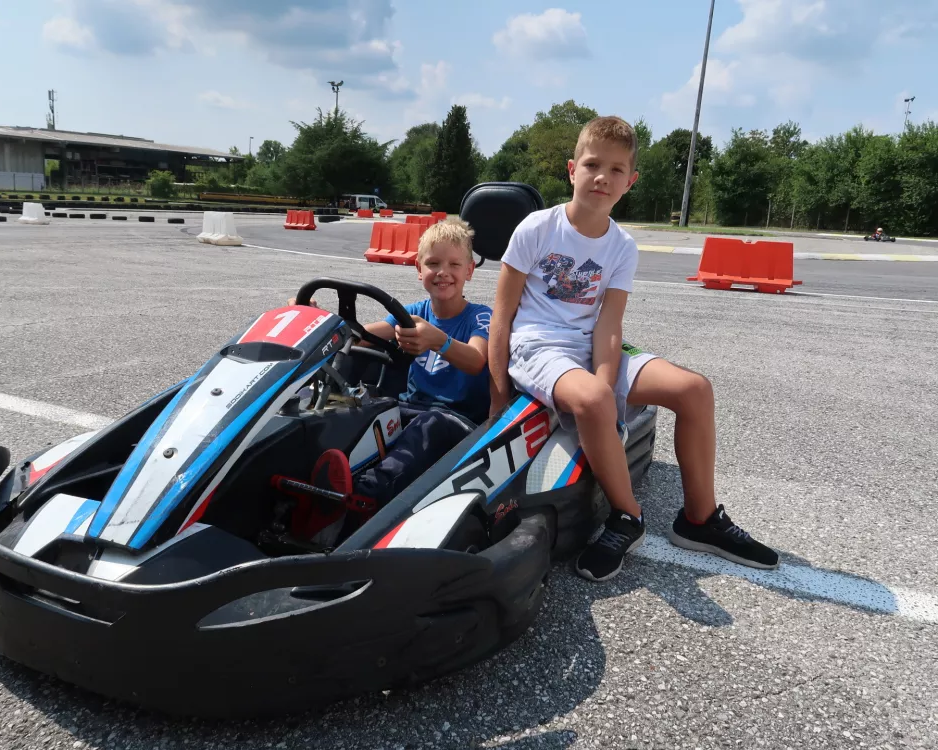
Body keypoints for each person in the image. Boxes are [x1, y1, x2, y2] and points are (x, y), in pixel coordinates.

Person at [487, 115, 780, 582]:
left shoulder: (622, 246)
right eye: (592, 164)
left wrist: (609, 393)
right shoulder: (537, 228)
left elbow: (608, 324)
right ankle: (627, 516)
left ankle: (700, 519)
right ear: (572, 169)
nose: (603, 177)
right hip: (538, 347)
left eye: (617, 169)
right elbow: (501, 319)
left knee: (695, 389)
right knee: (593, 398)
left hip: (591, 347)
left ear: (631, 181)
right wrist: (497, 402)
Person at [290, 217, 492, 542]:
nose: (443, 272)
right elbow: (357, 335)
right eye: (433, 263)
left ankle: (361, 497)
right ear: (418, 268)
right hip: (408, 410)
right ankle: (310, 475)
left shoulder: (479, 316)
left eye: (454, 264)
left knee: (430, 425)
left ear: (469, 270)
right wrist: (316, 321)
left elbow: (477, 359)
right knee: (365, 404)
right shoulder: (412, 313)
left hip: (458, 423)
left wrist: (438, 341)